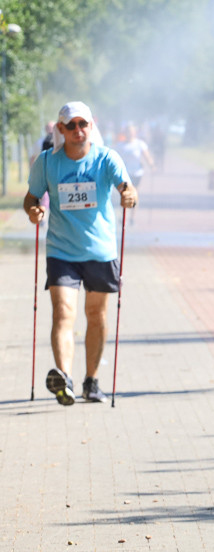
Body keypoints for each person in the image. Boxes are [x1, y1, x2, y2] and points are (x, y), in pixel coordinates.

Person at [23, 101, 137, 405]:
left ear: (91, 125)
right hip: (62, 250)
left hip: (100, 251)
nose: (77, 130)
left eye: (82, 124)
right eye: (70, 125)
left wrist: (128, 195)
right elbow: (31, 198)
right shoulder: (47, 162)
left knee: (95, 316)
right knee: (63, 312)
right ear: (60, 129)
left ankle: (91, 381)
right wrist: (34, 211)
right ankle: (64, 378)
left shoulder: (106, 158)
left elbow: (128, 188)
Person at [117, 124, 155, 189]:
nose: (129, 133)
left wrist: (152, 166)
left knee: (134, 191)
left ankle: (134, 199)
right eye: (128, 131)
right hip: (125, 173)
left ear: (134, 132)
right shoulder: (120, 145)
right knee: (126, 191)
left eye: (131, 131)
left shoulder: (140, 144)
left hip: (137, 173)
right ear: (125, 133)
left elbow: (147, 156)